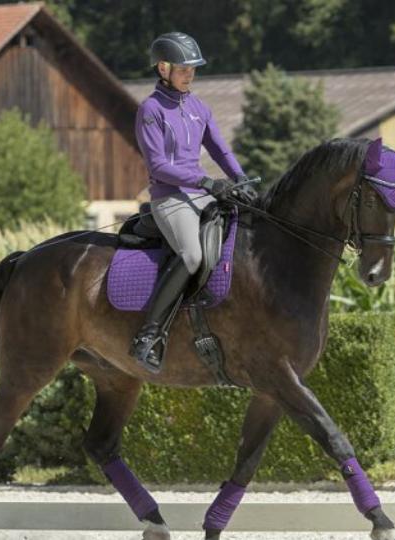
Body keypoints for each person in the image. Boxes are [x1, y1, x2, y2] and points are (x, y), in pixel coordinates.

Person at [129, 31, 255, 373]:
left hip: (201, 194)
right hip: (170, 198)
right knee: (191, 254)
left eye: (193, 68)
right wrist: (206, 180)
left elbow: (220, 149)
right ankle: (149, 335)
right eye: (184, 68)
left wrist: (241, 180)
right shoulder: (150, 110)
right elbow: (158, 165)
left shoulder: (199, 107)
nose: (190, 73)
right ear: (163, 68)